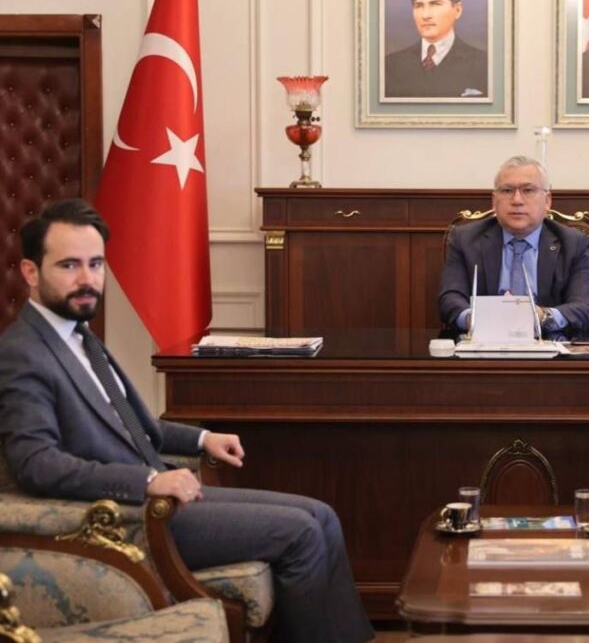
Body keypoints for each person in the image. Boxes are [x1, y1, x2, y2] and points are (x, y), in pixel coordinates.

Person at [0, 200, 374, 643]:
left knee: (322, 515)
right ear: (30, 271)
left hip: (159, 498)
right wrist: (147, 481)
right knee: (303, 534)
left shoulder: (78, 336)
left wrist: (202, 438)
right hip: (126, 517)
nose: (87, 279)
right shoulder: (23, 354)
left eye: (95, 264)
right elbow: (37, 465)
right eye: (69, 265)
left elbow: (132, 426)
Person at [439, 156, 589, 335]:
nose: (517, 200)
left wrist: (542, 316)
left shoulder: (573, 243)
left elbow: (584, 307)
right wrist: (474, 319)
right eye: (507, 190)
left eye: (528, 190)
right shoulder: (465, 239)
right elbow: (450, 299)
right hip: (484, 341)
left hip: (549, 343)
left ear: (547, 201)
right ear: (494, 201)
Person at [384, 0, 488, 98]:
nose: (425, 15)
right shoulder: (391, 65)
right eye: (419, 5)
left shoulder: (484, 65)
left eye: (436, 4)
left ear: (457, 10)